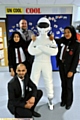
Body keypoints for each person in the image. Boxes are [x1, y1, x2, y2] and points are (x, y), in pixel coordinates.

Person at [28, 17, 58, 110]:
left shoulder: (50, 39)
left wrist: (40, 47)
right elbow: (30, 51)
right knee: (33, 81)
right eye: (41, 26)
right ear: (37, 26)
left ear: (48, 27)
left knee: (48, 81)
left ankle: (50, 98)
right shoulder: (35, 39)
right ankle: (31, 99)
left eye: (45, 26)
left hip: (46, 63)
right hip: (36, 62)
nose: (43, 28)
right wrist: (45, 49)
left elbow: (55, 52)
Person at [54, 25, 80, 110]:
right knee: (63, 84)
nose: (66, 34)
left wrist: (72, 70)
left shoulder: (76, 44)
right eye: (65, 32)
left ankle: (69, 102)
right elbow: (54, 40)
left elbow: (76, 59)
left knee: (68, 85)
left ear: (72, 32)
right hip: (62, 66)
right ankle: (63, 100)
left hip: (69, 68)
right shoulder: (62, 41)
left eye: (68, 32)